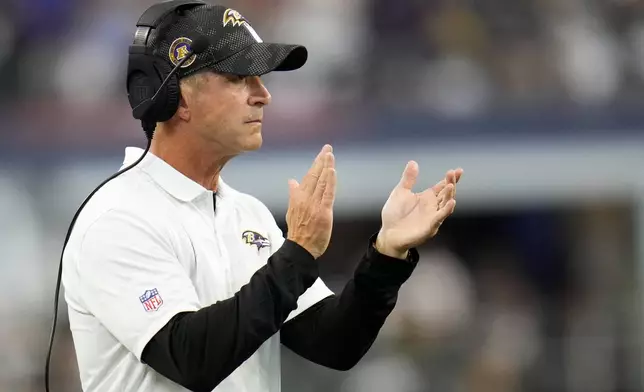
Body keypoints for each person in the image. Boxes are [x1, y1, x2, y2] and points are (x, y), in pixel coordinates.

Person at [61, 2, 463, 392]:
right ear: (178, 98)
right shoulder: (118, 218)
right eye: (240, 78)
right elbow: (191, 360)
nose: (263, 95)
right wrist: (298, 252)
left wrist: (386, 254)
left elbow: (334, 342)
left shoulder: (245, 213)